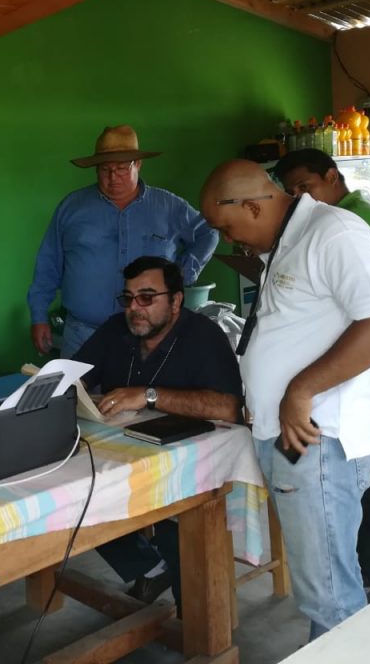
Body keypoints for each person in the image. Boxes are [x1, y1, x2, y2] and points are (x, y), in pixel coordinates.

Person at [200, 160, 370, 640]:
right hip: (294, 441)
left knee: (329, 595)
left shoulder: (333, 232)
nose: (229, 240)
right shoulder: (286, 241)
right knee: (323, 586)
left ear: (252, 206)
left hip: (319, 442)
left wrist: (301, 389)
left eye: (226, 227)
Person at [273, 148, 370, 600]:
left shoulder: (352, 222)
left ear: (332, 176)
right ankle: (354, 565)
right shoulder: (317, 222)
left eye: (306, 187)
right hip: (344, 363)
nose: (300, 198)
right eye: (291, 192)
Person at [75, 256, 243, 607]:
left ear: (176, 300)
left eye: (147, 297)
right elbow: (76, 379)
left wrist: (150, 395)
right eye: (128, 298)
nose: (134, 308)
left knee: (177, 528)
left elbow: (228, 408)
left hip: (191, 467)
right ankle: (150, 568)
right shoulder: (116, 329)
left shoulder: (203, 336)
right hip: (126, 459)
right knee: (78, 499)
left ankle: (194, 623)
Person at [27, 125, 218, 358]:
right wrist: (39, 316)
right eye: (105, 169)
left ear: (138, 164)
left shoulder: (168, 206)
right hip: (82, 335)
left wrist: (184, 272)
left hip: (149, 335)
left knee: (149, 384)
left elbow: (209, 231)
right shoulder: (71, 208)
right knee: (78, 384)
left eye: (121, 168)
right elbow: (48, 265)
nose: (113, 177)